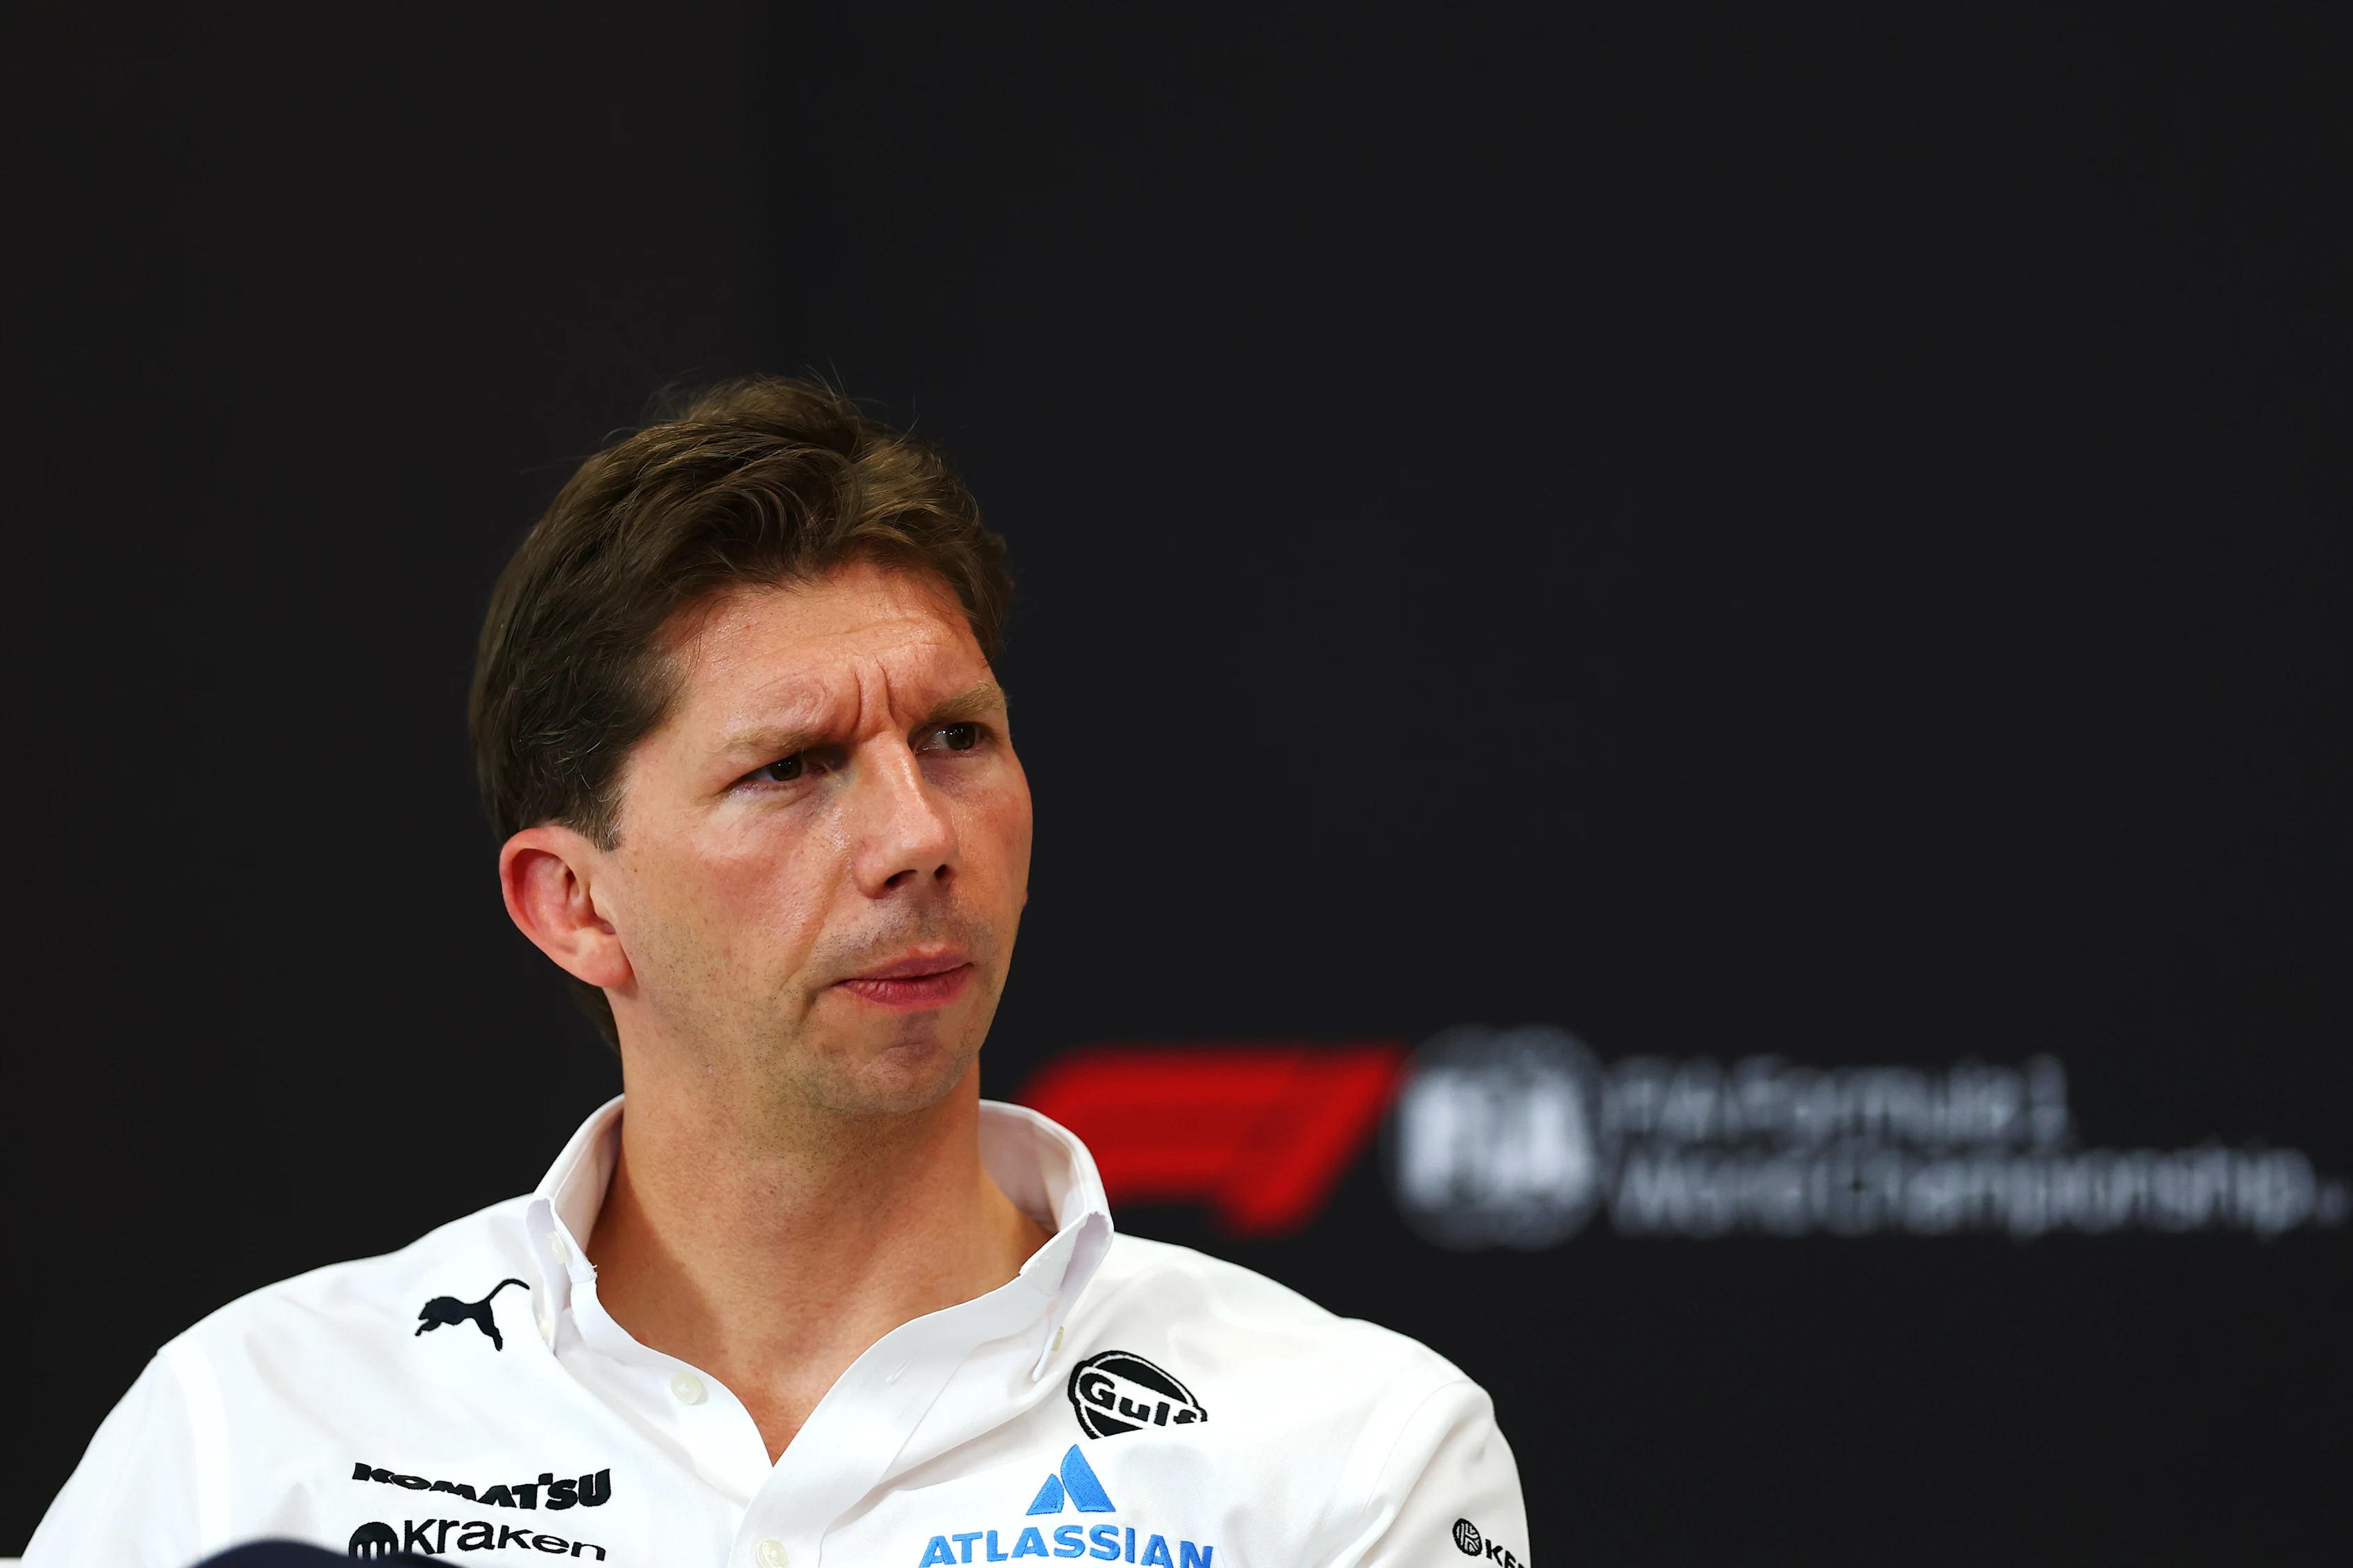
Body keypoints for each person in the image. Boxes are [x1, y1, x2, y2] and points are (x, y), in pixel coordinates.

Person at [26, 380, 1528, 1568]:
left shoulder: (1351, 1451)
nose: (915, 834)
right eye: (794, 766)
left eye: (956, 736)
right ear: (574, 904)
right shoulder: (247, 1430)